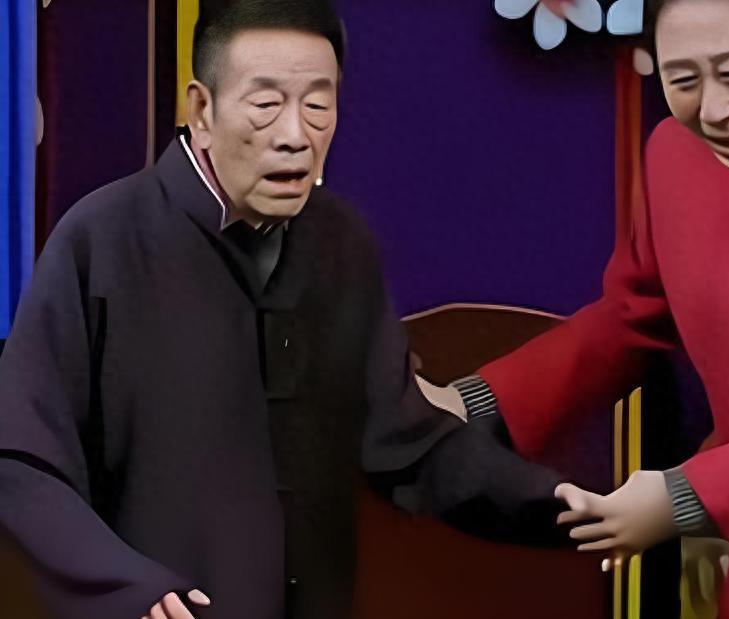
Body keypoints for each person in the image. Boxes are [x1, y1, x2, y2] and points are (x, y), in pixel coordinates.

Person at [0, 2, 569, 618]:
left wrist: (566, 505)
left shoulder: (341, 244)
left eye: (318, 106)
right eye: (267, 104)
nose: (296, 135)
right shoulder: (102, 239)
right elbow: (21, 459)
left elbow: (408, 444)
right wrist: (126, 585)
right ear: (201, 111)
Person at [427, 0, 729, 617]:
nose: (714, 110)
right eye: (684, 79)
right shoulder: (674, 152)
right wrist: (475, 402)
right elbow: (632, 312)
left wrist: (681, 496)